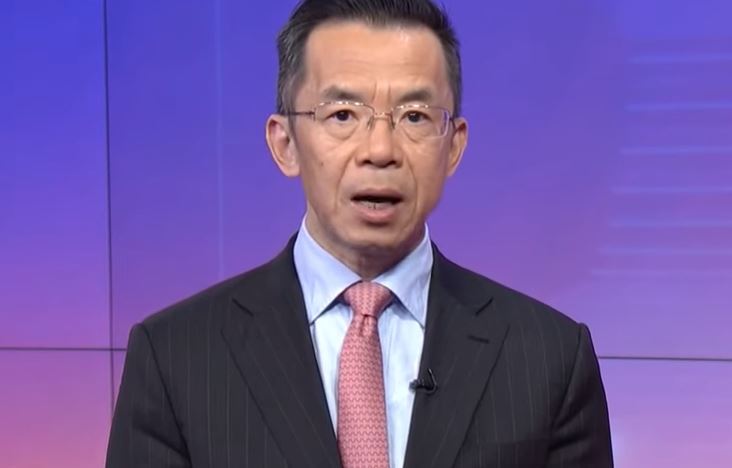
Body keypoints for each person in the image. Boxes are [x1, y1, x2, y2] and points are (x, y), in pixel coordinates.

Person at [106, 0, 613, 466]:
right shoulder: (176, 358)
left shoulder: (548, 359)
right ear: (285, 143)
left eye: (414, 116)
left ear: (454, 146)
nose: (380, 150)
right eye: (343, 115)